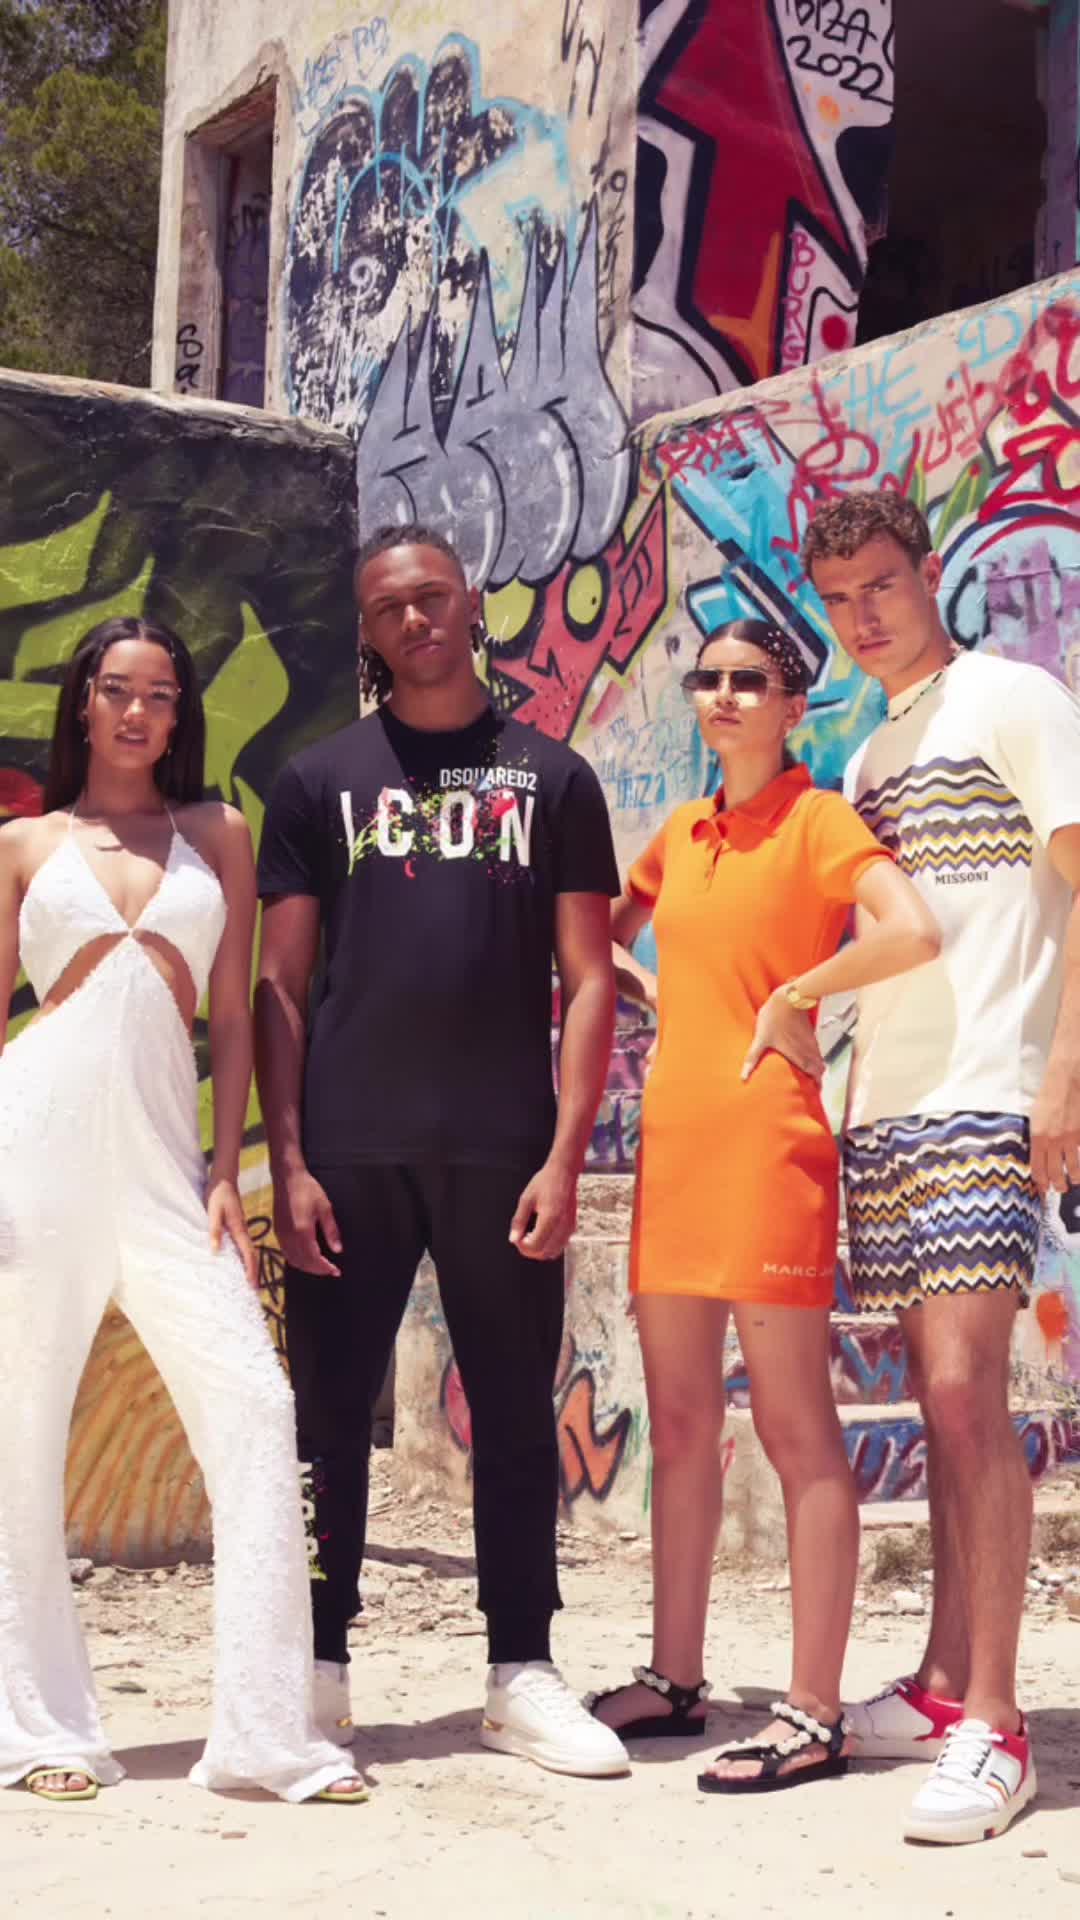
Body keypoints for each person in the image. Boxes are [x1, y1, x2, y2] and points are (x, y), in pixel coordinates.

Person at [254, 524, 629, 1779]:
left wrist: (566, 1157)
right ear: (367, 632)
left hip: (503, 1148)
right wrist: (289, 1162)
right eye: (387, 608)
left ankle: (521, 1671)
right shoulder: (317, 782)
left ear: (472, 603)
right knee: (324, 1416)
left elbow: (589, 979)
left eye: (430, 597)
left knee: (515, 1412)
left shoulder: (554, 779)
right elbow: (282, 987)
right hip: (349, 1149)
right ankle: (315, 1673)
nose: (412, 619)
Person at [0, 616, 366, 1807]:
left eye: (160, 695)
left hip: (167, 1169)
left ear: (178, 714)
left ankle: (264, 1736)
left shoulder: (217, 834)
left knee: (255, 1408)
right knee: (17, 1432)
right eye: (118, 689)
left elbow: (234, 1011)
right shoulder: (24, 845)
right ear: (85, 701)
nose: (138, 712)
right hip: (32, 1152)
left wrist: (224, 1166)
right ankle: (40, 1731)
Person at [588, 618, 939, 1794]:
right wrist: (646, 992)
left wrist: (799, 992)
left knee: (796, 1430)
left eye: (752, 680)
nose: (725, 695)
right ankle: (676, 1679)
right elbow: (596, 941)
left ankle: (813, 1713)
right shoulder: (681, 835)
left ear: (794, 705)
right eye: (710, 679)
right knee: (681, 1423)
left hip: (770, 1150)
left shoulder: (819, 821)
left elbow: (912, 930)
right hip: (674, 1155)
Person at [804, 488, 1080, 1844]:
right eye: (839, 598)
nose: (863, 615)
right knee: (933, 1399)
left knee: (968, 1394)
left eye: (882, 584)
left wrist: (1063, 1078)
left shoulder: (1017, 699)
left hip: (987, 1095)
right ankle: (939, 1686)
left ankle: (999, 1728)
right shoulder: (866, 759)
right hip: (889, 1113)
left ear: (927, 575)